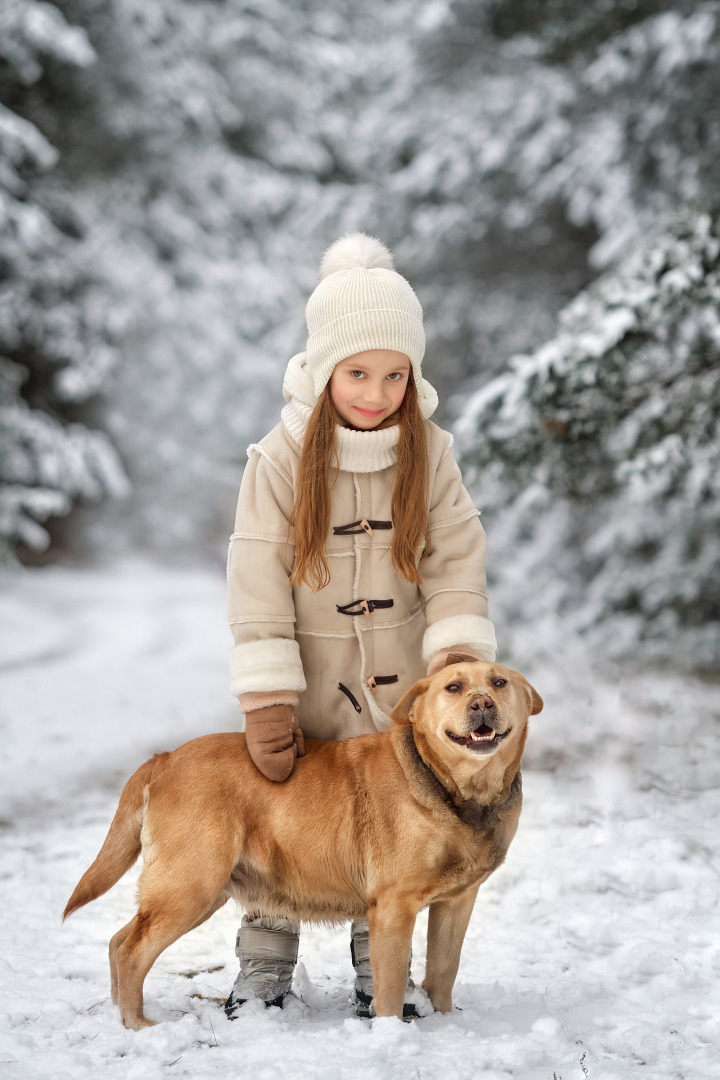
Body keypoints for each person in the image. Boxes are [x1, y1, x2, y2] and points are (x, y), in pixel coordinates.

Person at [225, 232, 497, 1018]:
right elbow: (255, 580)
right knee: (282, 821)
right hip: (307, 684)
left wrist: (453, 655)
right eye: (356, 373)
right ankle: (264, 970)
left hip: (401, 688)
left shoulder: (431, 453)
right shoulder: (278, 459)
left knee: (393, 831)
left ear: (413, 374)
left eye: (393, 374)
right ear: (323, 370)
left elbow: (455, 559)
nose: (375, 392)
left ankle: (378, 970)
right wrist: (267, 695)